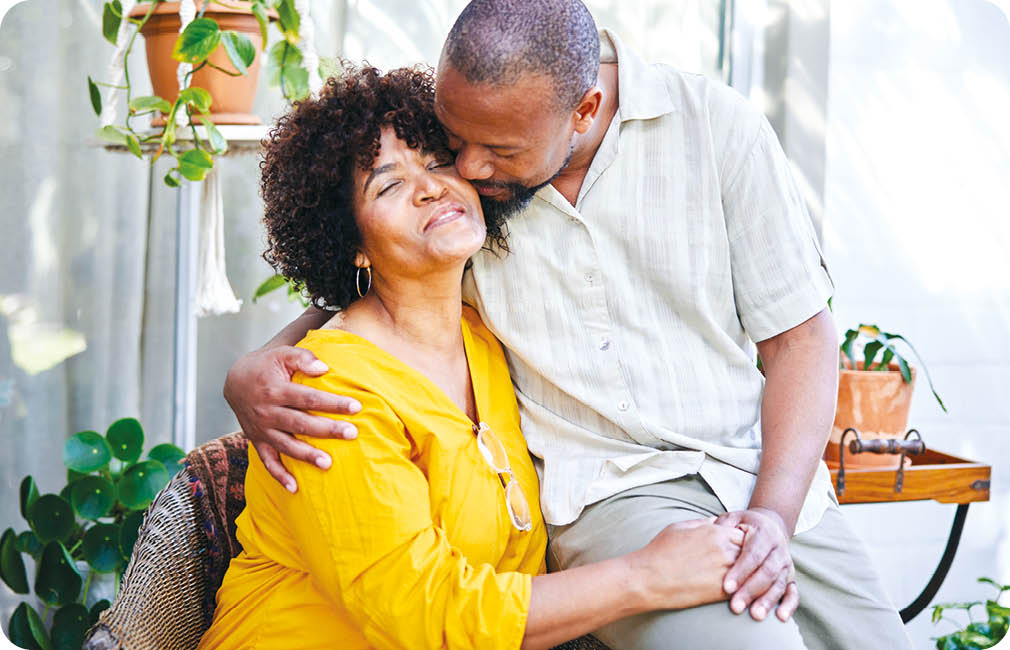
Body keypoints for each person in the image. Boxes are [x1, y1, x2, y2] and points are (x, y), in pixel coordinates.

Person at [223, 2, 914, 648]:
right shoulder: (467, 213)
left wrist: (772, 514)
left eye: (484, 150)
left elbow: (799, 334)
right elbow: (368, 289)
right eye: (452, 139)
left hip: (751, 467)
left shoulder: (712, 126)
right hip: (613, 494)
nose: (462, 170)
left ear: (583, 111)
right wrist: (255, 366)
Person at [197, 64, 747, 650]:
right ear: (352, 245)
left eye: (436, 162)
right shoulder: (330, 393)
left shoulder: (488, 339)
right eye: (387, 186)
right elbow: (426, 613)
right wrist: (648, 576)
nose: (430, 187)